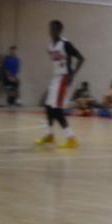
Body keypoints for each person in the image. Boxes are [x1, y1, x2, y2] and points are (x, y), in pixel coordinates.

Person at [34, 20, 85, 148]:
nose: (51, 31)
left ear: (59, 30)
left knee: (56, 109)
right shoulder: (50, 46)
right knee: (48, 107)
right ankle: (50, 135)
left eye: (54, 29)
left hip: (64, 77)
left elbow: (81, 58)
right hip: (56, 77)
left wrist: (73, 74)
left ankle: (71, 138)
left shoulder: (65, 44)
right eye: (50, 28)